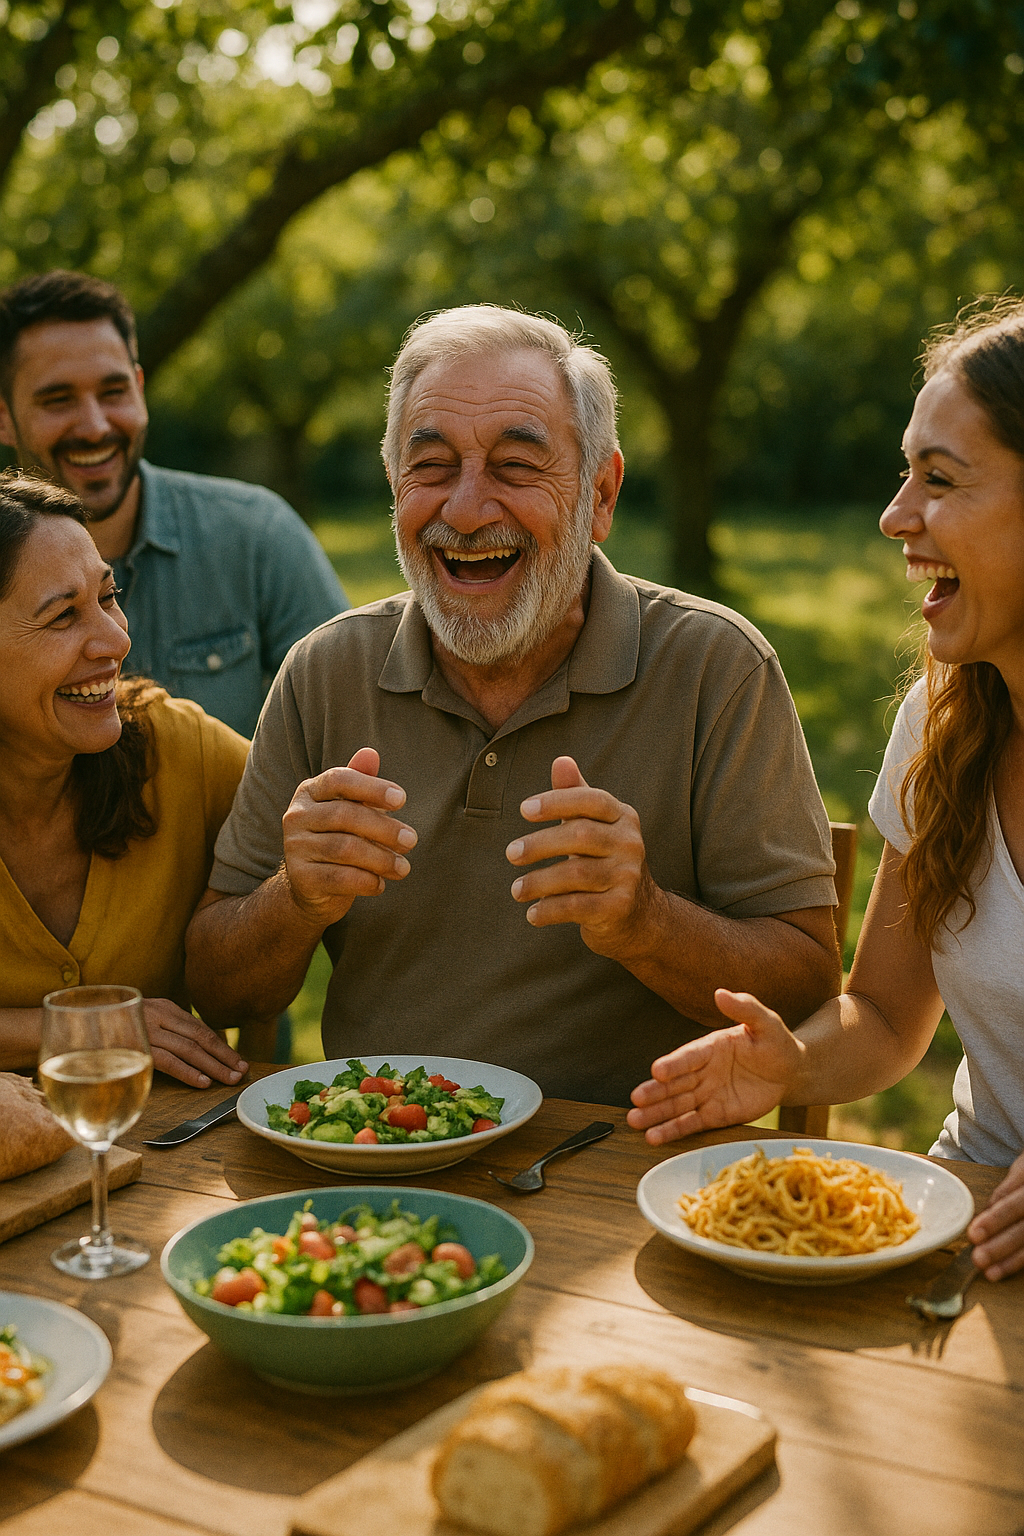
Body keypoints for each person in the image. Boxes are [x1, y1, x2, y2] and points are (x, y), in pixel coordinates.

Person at [185, 306, 840, 1108]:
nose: (465, 510)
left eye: (516, 466)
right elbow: (220, 992)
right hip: (381, 1145)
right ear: (395, 488)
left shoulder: (716, 668)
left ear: (601, 494)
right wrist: (294, 897)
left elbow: (808, 990)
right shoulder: (325, 672)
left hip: (624, 1155)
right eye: (431, 466)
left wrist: (647, 922)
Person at [627, 297, 1024, 1281]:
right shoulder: (943, 726)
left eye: (939, 479)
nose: (895, 516)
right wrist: (793, 1064)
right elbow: (885, 1014)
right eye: (904, 473)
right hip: (969, 1221)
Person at [0, 270, 348, 739]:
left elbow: (350, 713)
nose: (95, 426)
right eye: (58, 400)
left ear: (139, 388)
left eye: (114, 392)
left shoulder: (256, 534)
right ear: (4, 416)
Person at [0, 470, 248, 1090]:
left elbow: (312, 817)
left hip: (173, 1145)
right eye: (64, 616)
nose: (116, 639)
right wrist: (91, 1030)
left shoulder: (179, 750)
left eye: (109, 597)